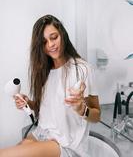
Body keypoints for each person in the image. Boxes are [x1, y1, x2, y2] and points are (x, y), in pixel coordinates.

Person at [0, 14, 100, 157]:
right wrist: (29, 103)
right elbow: (45, 109)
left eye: (54, 37)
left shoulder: (82, 69)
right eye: (44, 42)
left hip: (66, 145)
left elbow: (97, 115)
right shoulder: (44, 71)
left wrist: (82, 109)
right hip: (41, 134)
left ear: (62, 34)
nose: (50, 45)